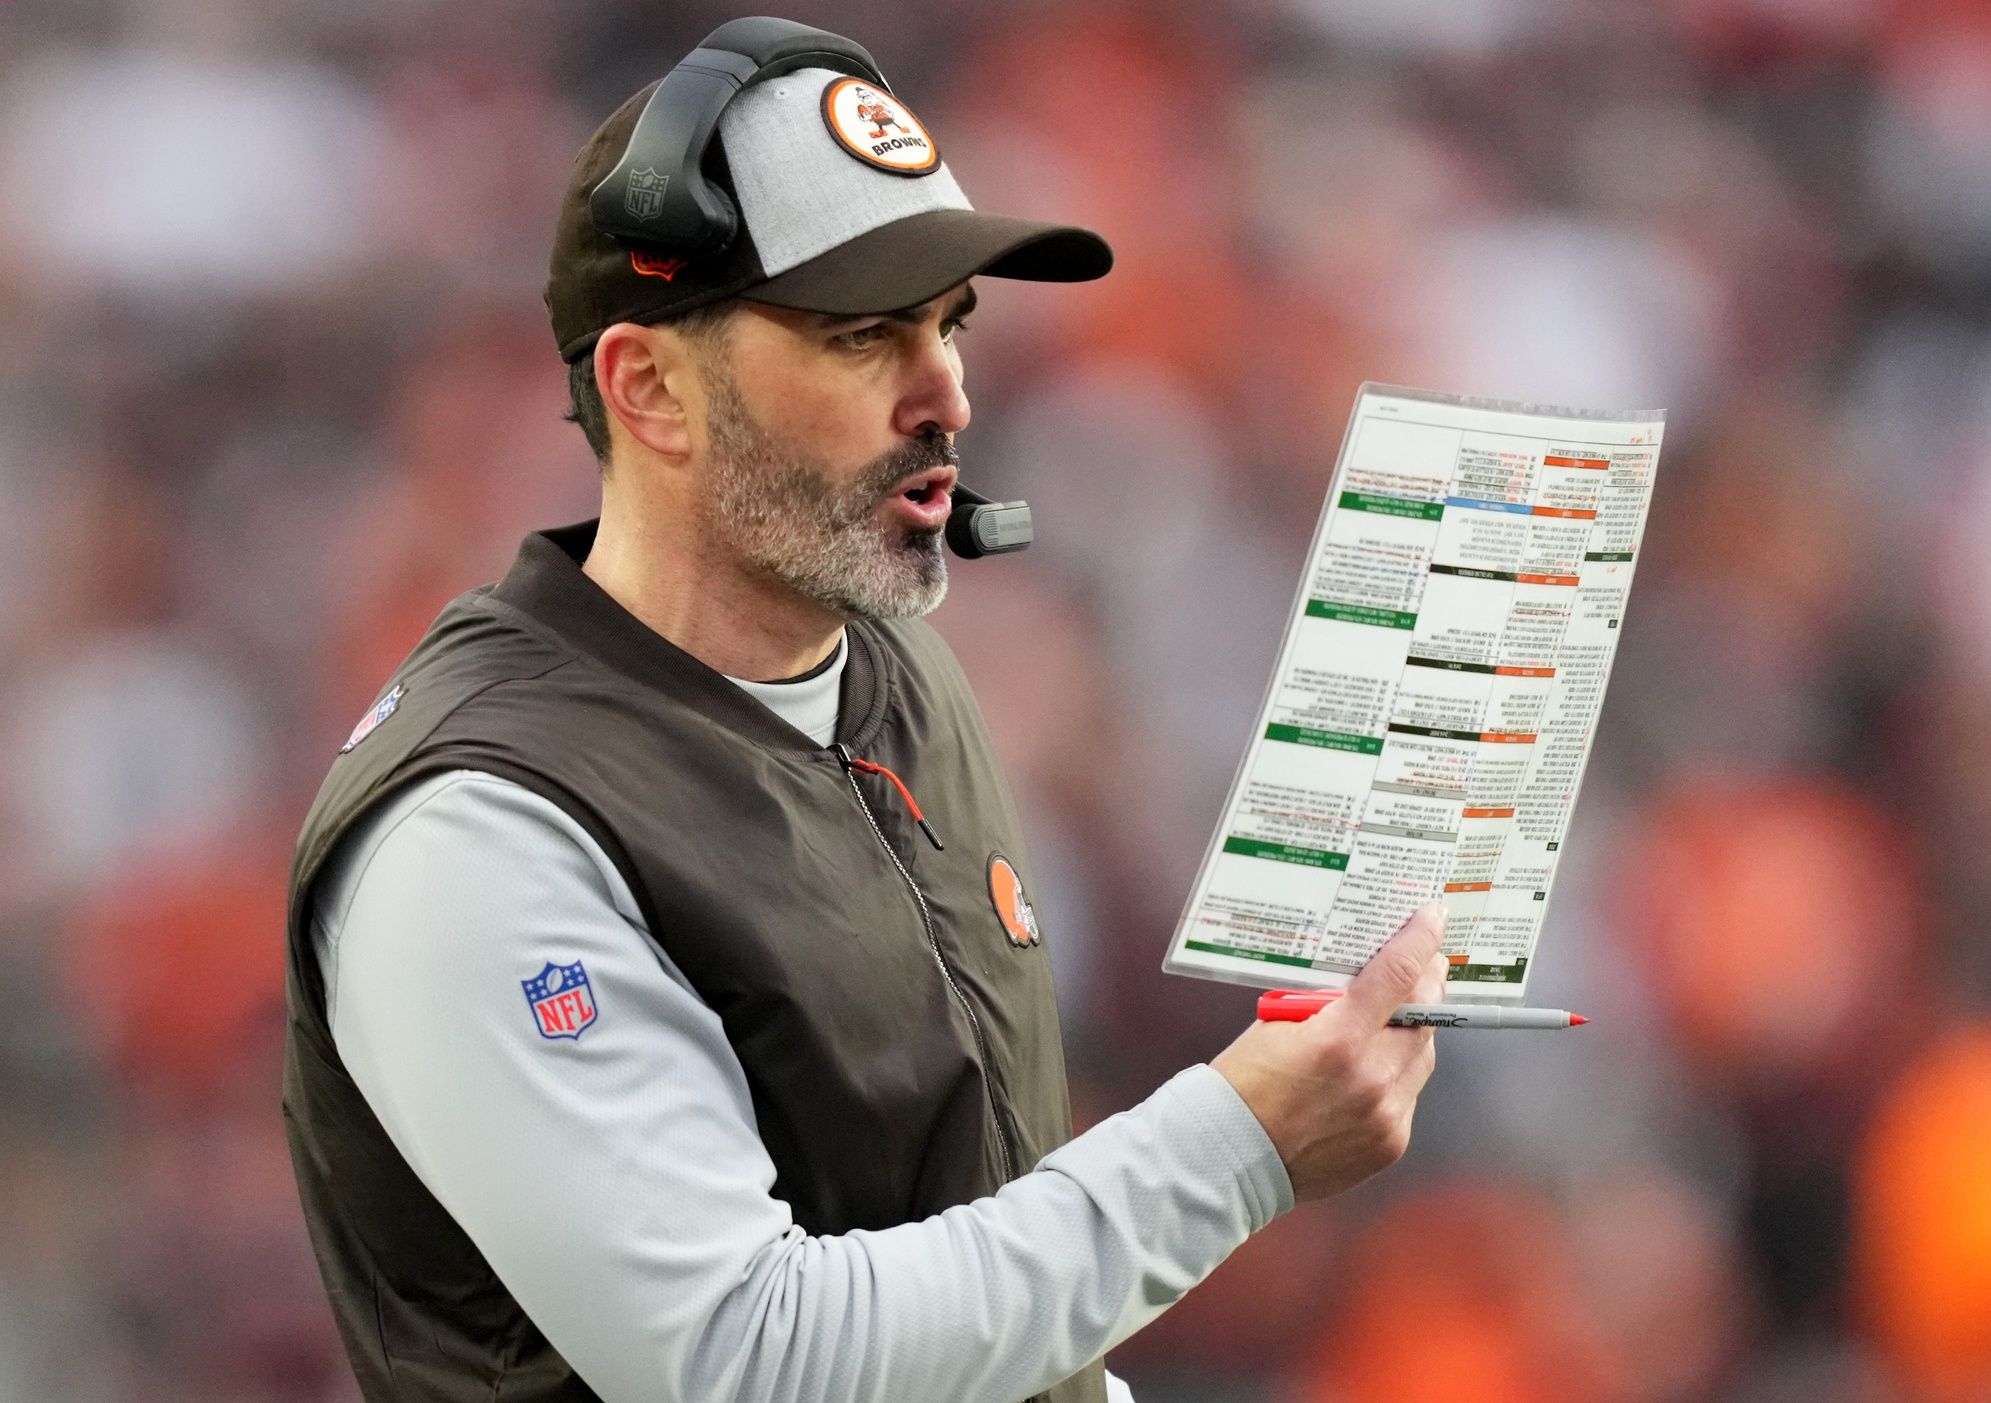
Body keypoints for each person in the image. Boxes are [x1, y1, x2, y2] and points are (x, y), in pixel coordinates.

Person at [281, 19, 1447, 1403]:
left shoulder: (887, 670)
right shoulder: (482, 828)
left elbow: (957, 1256)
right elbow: (744, 1360)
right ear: (648, 388)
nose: (946, 390)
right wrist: (1233, 1146)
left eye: (948, 323)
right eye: (859, 335)